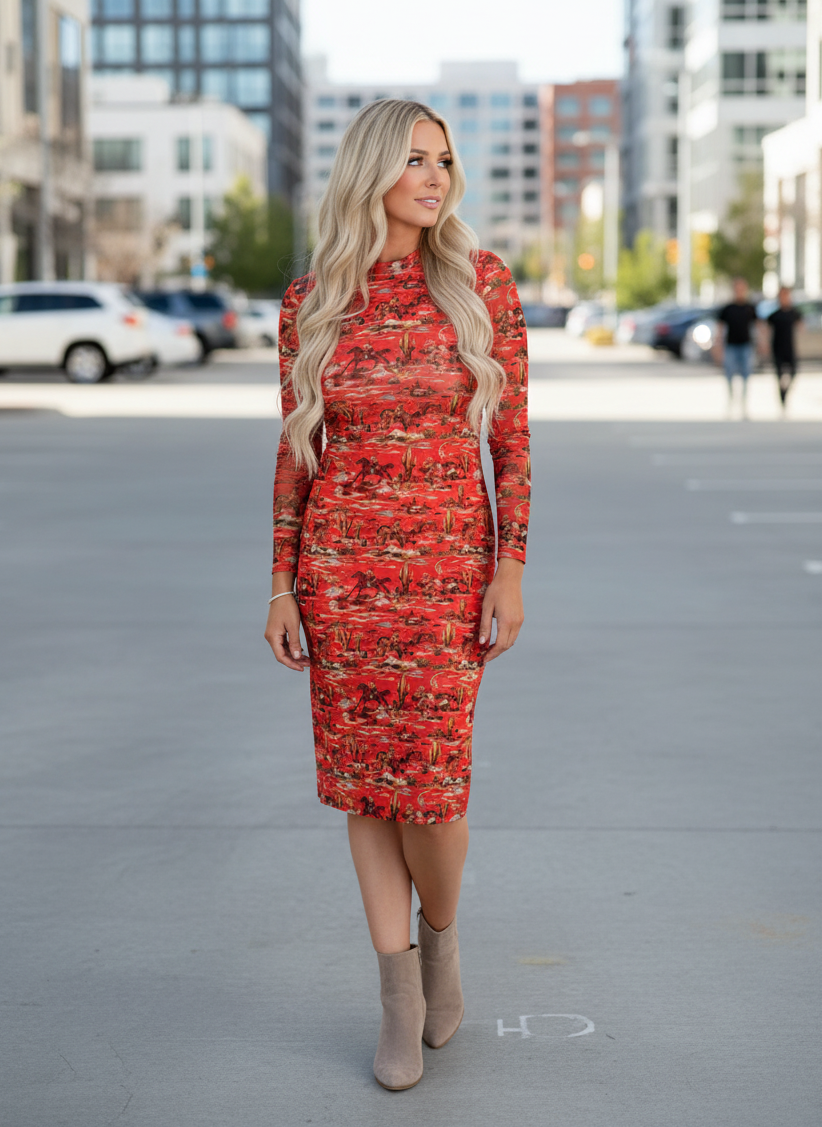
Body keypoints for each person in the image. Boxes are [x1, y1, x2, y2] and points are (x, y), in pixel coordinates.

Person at [264, 99, 530, 1091]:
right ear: (372, 167)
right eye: (416, 159)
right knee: (363, 792)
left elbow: (512, 442)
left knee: (432, 788)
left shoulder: (479, 284)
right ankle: (396, 995)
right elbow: (296, 451)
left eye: (445, 161)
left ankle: (442, 941)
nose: (435, 177)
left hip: (446, 575)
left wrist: (510, 567)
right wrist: (281, 582)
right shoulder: (312, 300)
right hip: (338, 577)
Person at [716, 277, 759, 417]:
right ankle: (730, 401)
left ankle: (744, 404)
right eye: (737, 288)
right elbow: (720, 328)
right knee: (729, 374)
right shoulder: (728, 308)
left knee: (746, 375)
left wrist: (762, 343)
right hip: (731, 346)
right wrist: (717, 345)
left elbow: (758, 326)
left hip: (746, 345)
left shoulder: (750, 308)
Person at [766, 286, 802, 412]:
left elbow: (801, 327)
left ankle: (785, 393)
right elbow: (767, 330)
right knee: (780, 375)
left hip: (790, 348)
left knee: (793, 372)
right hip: (777, 348)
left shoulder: (794, 313)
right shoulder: (775, 315)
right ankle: (782, 399)